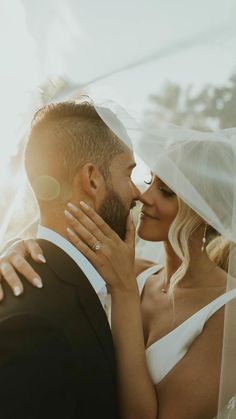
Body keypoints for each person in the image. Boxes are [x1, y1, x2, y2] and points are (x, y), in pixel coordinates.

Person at [0, 115, 236, 418]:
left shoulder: (227, 314)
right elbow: (62, 257)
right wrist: (19, 251)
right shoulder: (133, 270)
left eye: (166, 192)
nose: (142, 196)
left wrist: (125, 292)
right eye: (149, 181)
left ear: (207, 211)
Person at [0, 100, 140, 419]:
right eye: (129, 172)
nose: (137, 192)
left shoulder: (82, 283)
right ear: (92, 179)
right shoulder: (33, 321)